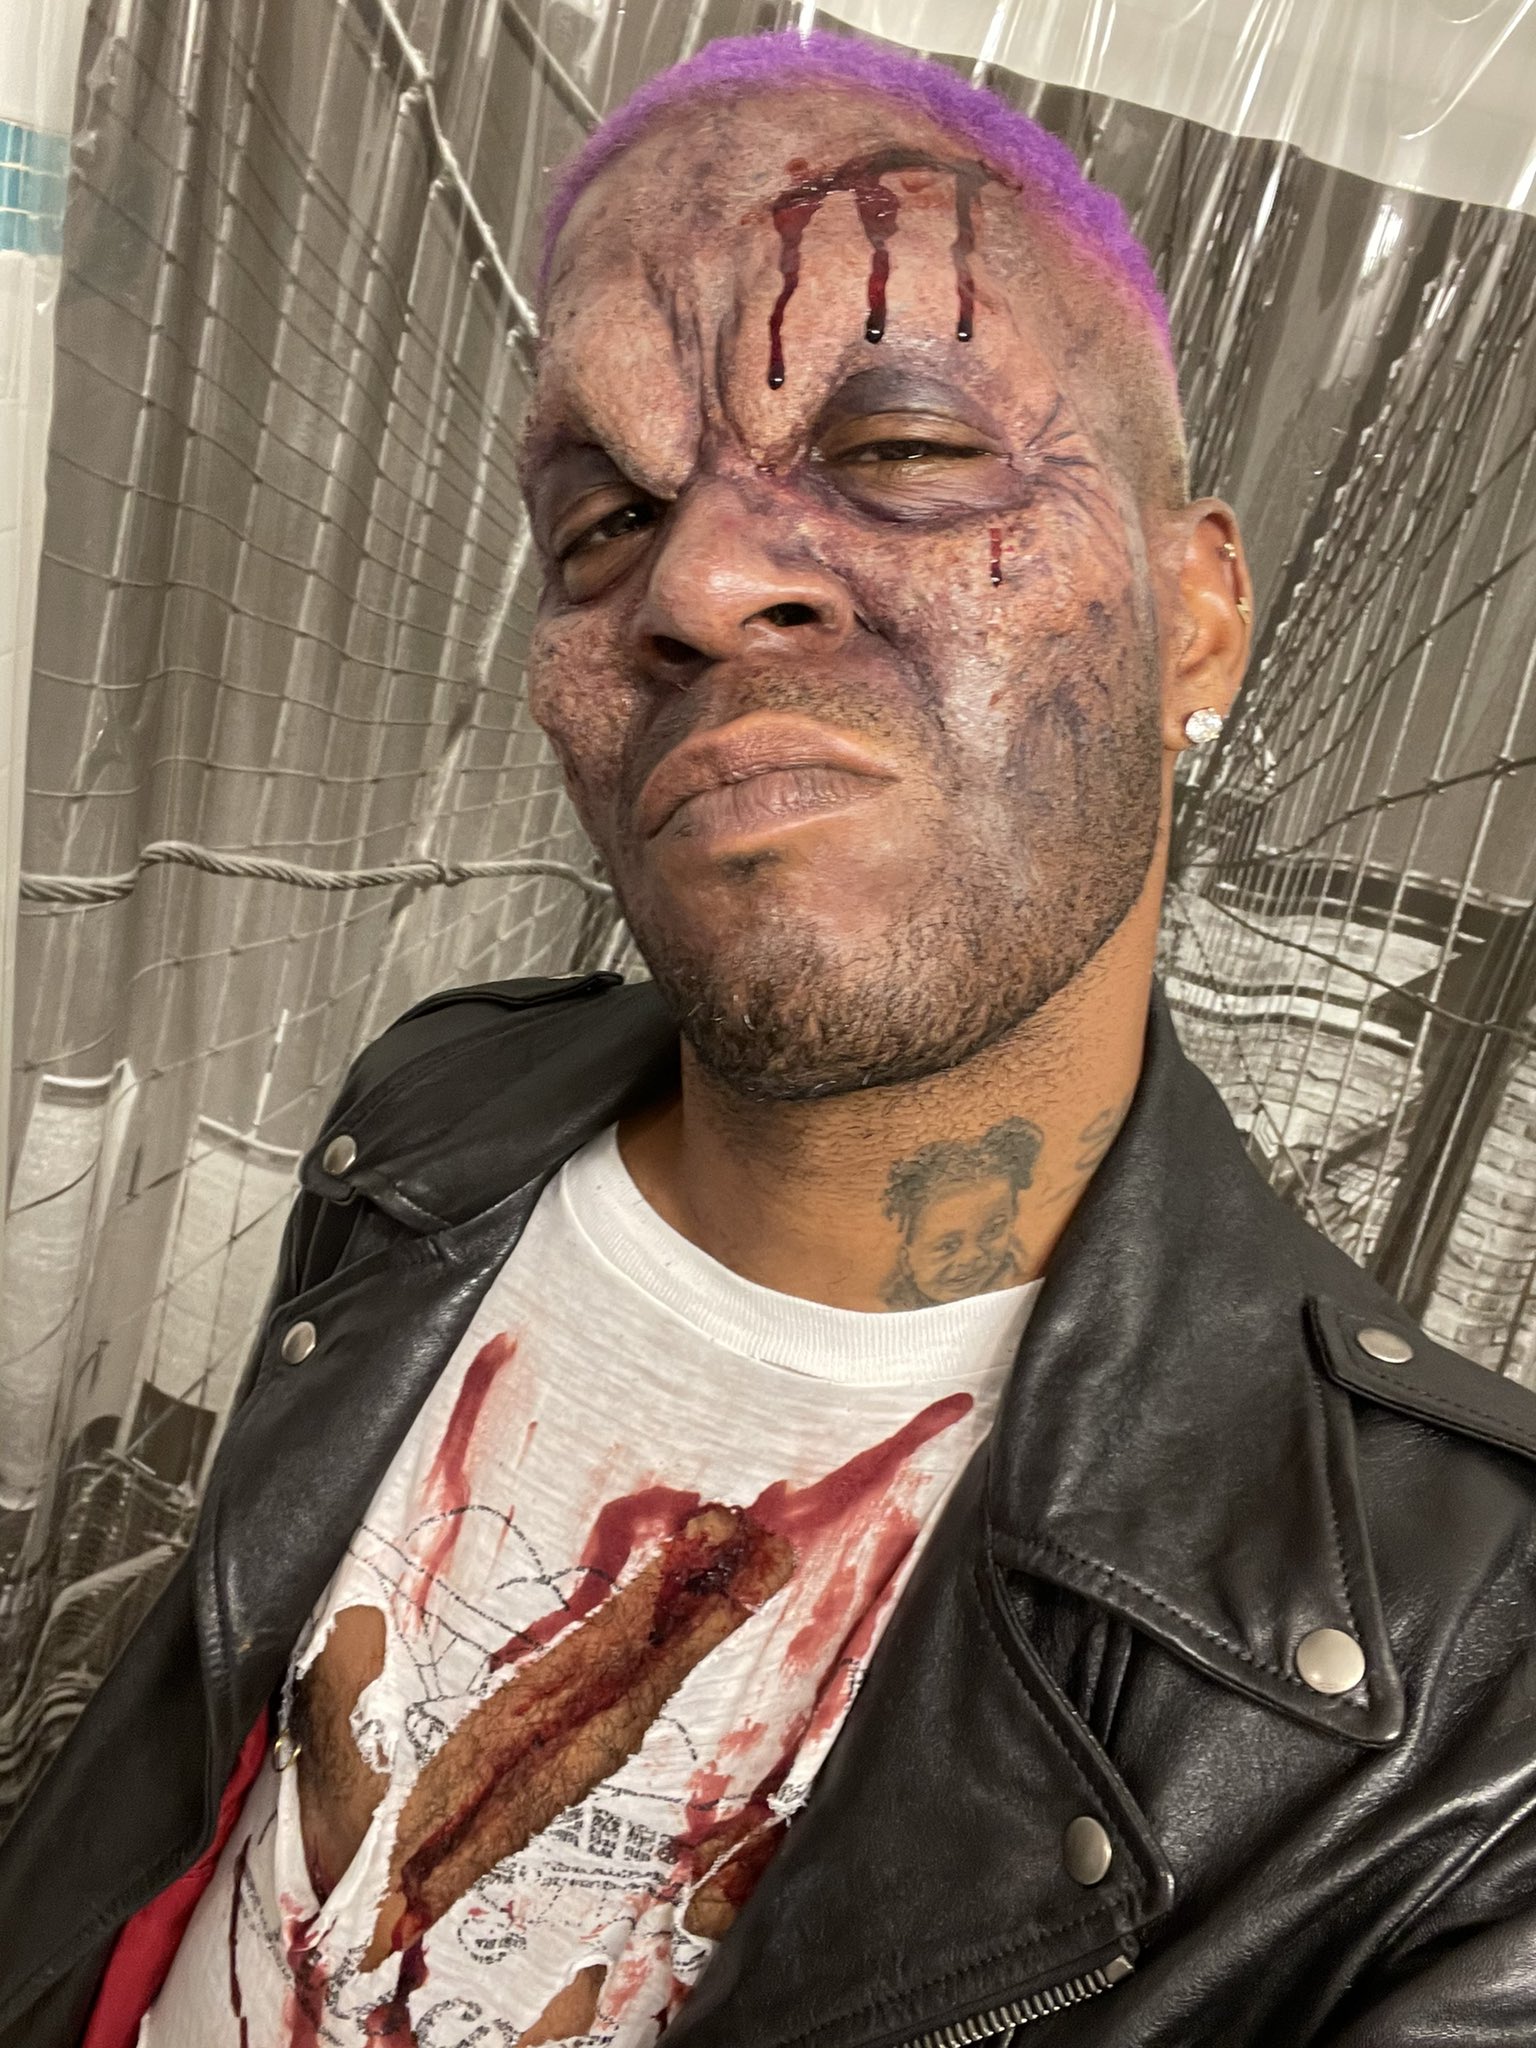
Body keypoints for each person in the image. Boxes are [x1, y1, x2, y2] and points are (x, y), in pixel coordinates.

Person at [3, 28, 1534, 2048]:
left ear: (1199, 613)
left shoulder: (1467, 1706)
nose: (701, 584)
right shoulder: (438, 1109)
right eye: (599, 521)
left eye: (896, 447)